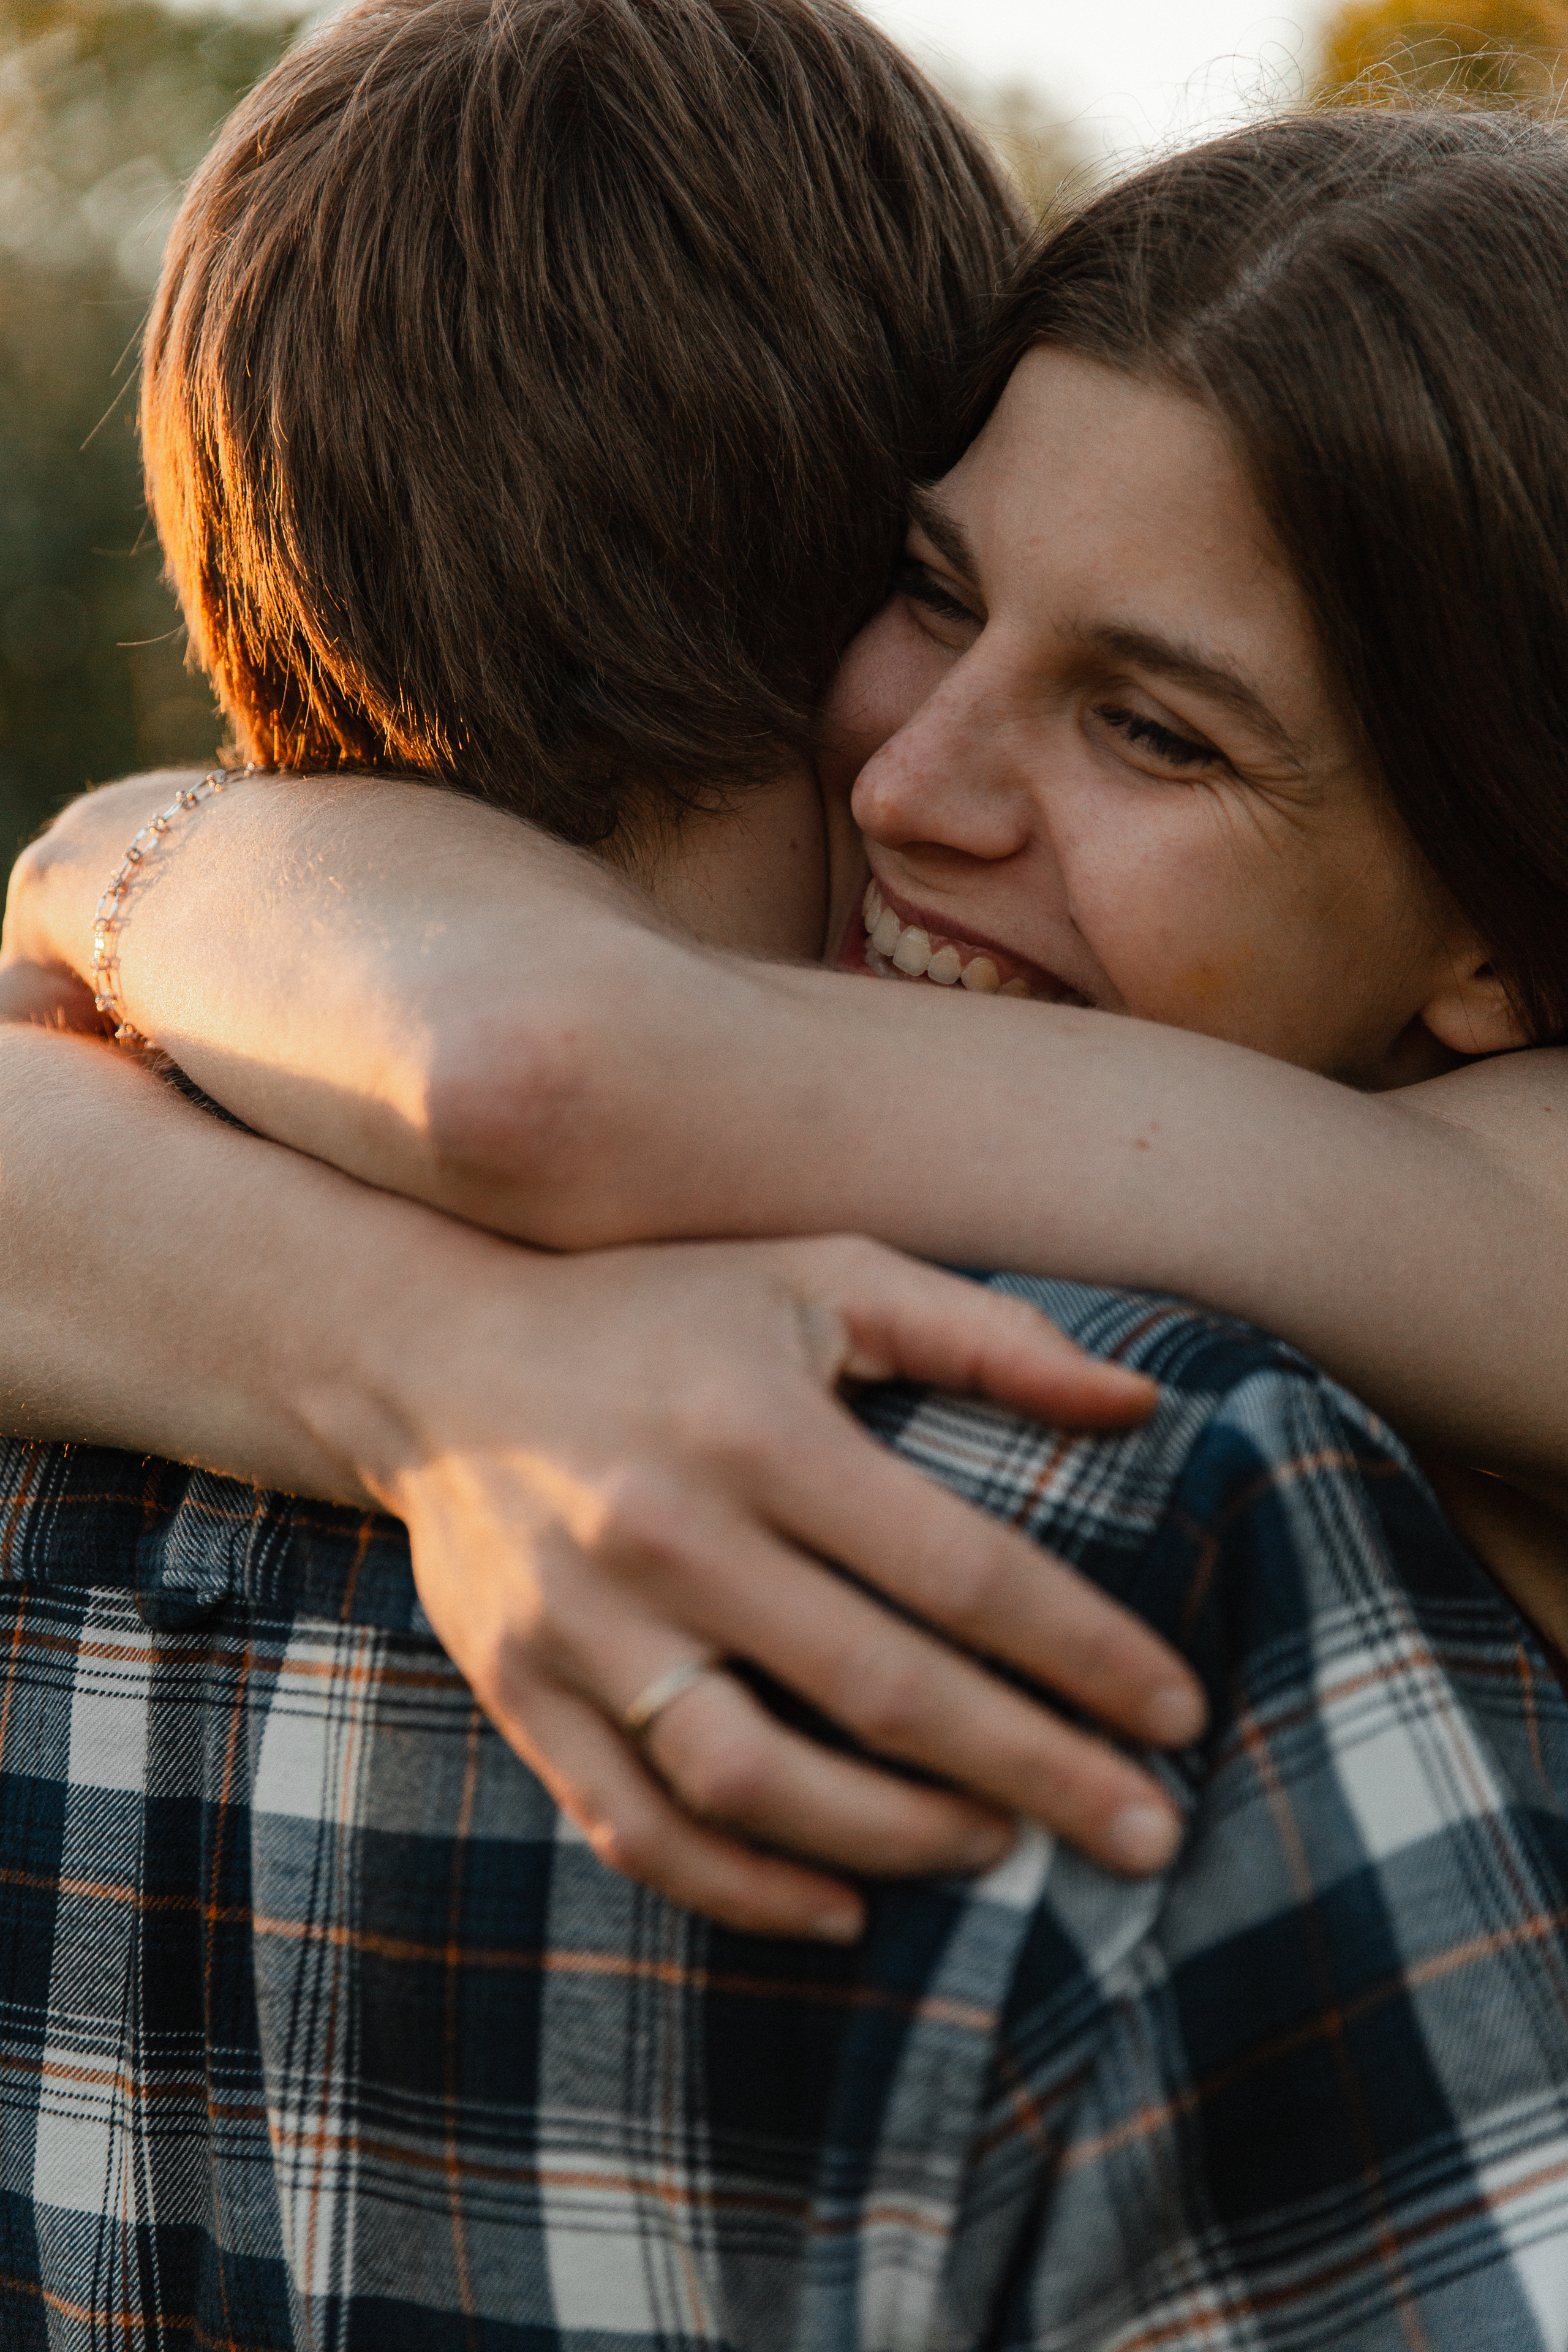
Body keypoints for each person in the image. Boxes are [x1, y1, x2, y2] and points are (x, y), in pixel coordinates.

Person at [9, 75, 1568, 2349]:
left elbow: (547, 1064)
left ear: (1503, 933)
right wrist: (422, 1349)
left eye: (1156, 728)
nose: (912, 786)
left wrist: (117, 859)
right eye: (930, 591)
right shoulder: (1163, 1469)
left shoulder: (1237, 1477)